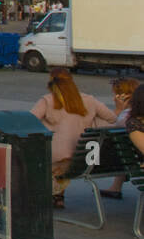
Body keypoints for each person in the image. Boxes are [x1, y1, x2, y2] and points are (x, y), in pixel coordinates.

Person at [30, 69, 116, 207]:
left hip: (56, 160)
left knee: (44, 150)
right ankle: (58, 195)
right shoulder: (89, 100)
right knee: (66, 156)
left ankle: (54, 195)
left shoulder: (47, 100)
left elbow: (29, 121)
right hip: (84, 160)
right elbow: (112, 118)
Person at [100, 77, 140, 198]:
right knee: (123, 148)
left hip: (128, 158)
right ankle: (116, 186)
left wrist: (118, 110)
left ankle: (116, 187)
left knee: (122, 148)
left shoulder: (128, 116)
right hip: (131, 155)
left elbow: (111, 128)